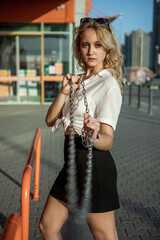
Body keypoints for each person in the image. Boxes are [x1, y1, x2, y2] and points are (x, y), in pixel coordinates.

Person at [39, 17, 124, 240]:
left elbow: (108, 141)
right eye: (85, 45)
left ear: (107, 48)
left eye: (98, 45)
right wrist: (65, 91)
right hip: (71, 164)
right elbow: (49, 120)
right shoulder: (78, 80)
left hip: (93, 164)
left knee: (105, 236)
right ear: (78, 47)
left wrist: (95, 135)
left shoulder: (108, 84)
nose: (91, 51)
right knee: (47, 227)